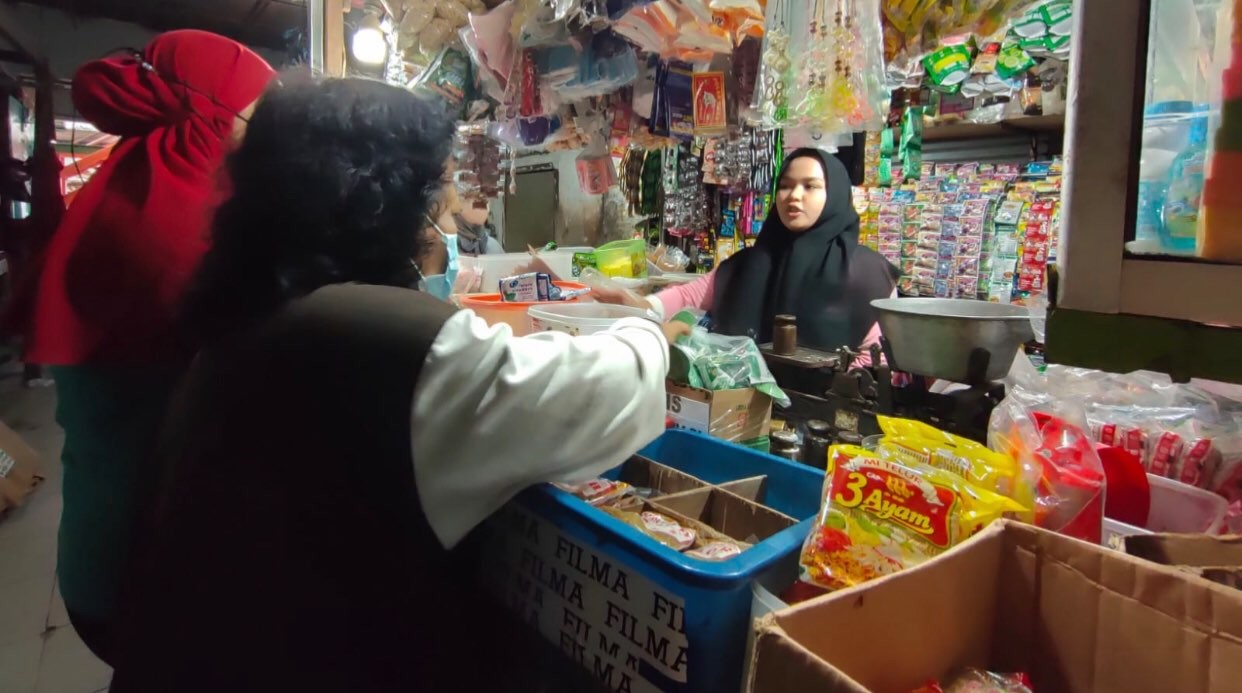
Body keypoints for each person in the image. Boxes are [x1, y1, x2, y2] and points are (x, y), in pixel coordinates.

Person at [109, 78, 684, 692]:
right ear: (384, 202)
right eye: (434, 194)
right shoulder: (371, 332)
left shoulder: (246, 325)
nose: (439, 220)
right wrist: (647, 326)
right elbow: (598, 393)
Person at [16, 30, 275, 662]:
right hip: (134, 594)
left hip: (104, 573)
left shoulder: (150, 175)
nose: (266, 134)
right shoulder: (175, 218)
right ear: (212, 110)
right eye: (254, 113)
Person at [597, 150, 897, 365]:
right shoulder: (748, 264)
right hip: (741, 407)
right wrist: (640, 305)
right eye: (786, 185)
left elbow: (876, 357)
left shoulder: (868, 275)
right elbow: (693, 295)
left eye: (811, 186)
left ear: (835, 194)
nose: (793, 196)